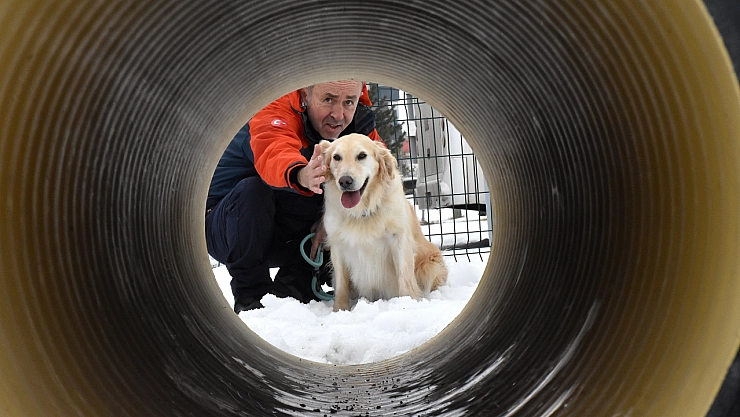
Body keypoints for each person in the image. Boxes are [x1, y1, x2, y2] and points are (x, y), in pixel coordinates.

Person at [205, 81, 383, 314]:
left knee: (347, 197)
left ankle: (297, 284)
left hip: (288, 231)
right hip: (230, 226)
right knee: (254, 190)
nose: (338, 114)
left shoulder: (360, 128)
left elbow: (382, 177)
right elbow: (273, 150)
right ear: (305, 94)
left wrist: (333, 218)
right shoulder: (273, 107)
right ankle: (251, 299)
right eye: (328, 99)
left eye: (349, 102)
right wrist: (300, 173)